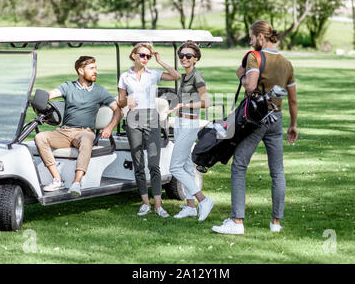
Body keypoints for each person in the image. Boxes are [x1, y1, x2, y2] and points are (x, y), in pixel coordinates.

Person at [212, 20, 298, 235]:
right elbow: (293, 100)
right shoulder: (287, 63)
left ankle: (237, 221)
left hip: (255, 120)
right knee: (277, 171)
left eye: (251, 37)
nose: (250, 41)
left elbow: (250, 87)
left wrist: (240, 74)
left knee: (239, 166)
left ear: (261, 37)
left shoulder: (255, 56)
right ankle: (276, 223)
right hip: (276, 119)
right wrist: (293, 125)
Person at [35, 56, 123, 197]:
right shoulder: (67, 87)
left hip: (84, 132)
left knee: (87, 139)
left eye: (96, 68)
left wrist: (109, 128)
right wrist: (39, 96)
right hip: (64, 132)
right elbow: (52, 94)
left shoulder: (100, 91)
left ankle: (76, 182)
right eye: (92, 68)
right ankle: (57, 179)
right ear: (81, 70)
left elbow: (118, 112)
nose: (96, 71)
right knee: (40, 137)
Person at [117, 43, 180, 218]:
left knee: (153, 163)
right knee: (138, 163)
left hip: (151, 117)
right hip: (133, 118)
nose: (145, 58)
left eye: (148, 56)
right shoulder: (125, 77)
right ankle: (145, 203)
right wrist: (127, 99)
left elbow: (176, 76)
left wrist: (160, 61)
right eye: (143, 55)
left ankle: (158, 205)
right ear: (134, 55)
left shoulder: (153, 73)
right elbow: (121, 102)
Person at [168, 41, 215, 221]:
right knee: (187, 165)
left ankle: (203, 200)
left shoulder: (197, 76)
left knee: (175, 167)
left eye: (188, 56)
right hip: (180, 122)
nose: (184, 59)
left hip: (189, 123)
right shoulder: (185, 76)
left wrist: (184, 104)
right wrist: (158, 60)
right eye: (181, 56)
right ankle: (190, 207)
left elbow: (206, 102)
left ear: (196, 58)